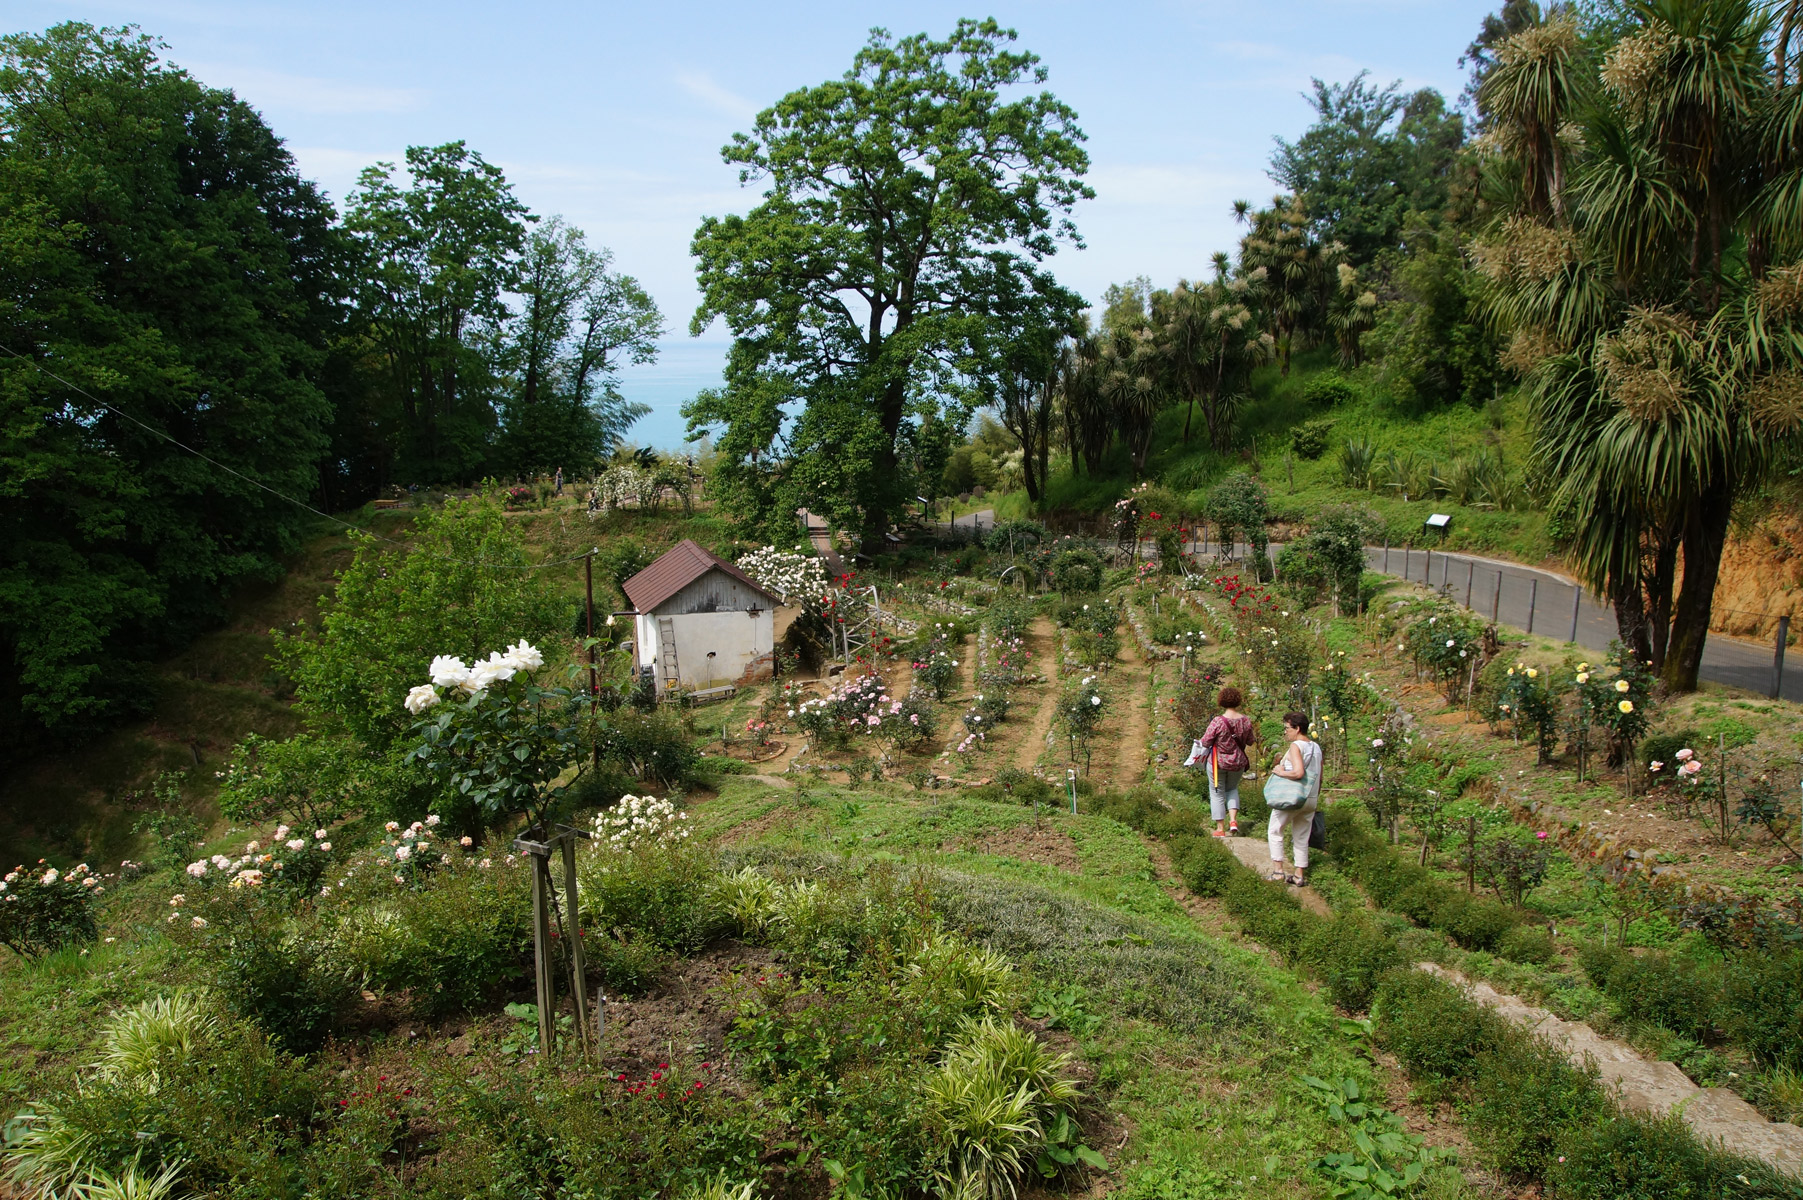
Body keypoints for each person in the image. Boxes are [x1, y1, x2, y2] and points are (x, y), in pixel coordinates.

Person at [1186, 687, 1256, 837]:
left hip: (1218, 763)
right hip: (1237, 762)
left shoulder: (1218, 721)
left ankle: (1220, 828)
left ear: (1221, 701)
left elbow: (1205, 742)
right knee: (1232, 789)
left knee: (1217, 793)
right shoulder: (1245, 721)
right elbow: (1250, 741)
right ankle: (1233, 821)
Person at [1267, 711, 1322, 886]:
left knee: (1275, 830)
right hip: (1310, 797)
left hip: (1292, 797)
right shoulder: (1316, 747)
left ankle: (1278, 871)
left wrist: (1280, 771)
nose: (1285, 732)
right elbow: (1320, 776)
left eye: (1287, 728)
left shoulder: (1296, 746)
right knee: (1301, 835)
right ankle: (1299, 875)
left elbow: (1299, 772)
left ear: (1297, 728)